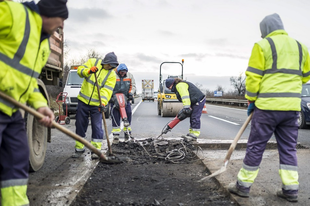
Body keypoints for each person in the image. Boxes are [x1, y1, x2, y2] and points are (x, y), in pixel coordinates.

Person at [228, 13, 310, 202]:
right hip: (291, 109)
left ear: (265, 30)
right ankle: (290, 190)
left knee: (256, 147)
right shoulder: (301, 47)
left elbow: (253, 77)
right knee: (289, 148)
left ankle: (243, 186)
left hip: (267, 108)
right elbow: (306, 76)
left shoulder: (263, 45)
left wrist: (251, 100)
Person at [0, 0, 68, 205]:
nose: (62, 26)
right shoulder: (12, 13)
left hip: (11, 110)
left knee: (17, 158)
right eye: (61, 19)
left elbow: (28, 82)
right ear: (48, 14)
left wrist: (41, 105)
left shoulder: (43, 45)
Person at [72, 52, 119, 159]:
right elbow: (80, 71)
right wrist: (88, 71)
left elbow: (107, 90)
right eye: (109, 65)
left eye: (113, 66)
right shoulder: (93, 62)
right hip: (83, 101)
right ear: (105, 62)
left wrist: (103, 102)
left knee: (97, 126)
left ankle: (96, 150)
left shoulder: (111, 75)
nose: (110, 67)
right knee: (80, 124)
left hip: (97, 105)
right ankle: (79, 148)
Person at [110, 63, 136, 144]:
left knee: (128, 113)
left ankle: (127, 131)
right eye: (121, 72)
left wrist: (131, 93)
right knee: (115, 115)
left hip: (125, 97)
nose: (123, 74)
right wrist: (110, 96)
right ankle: (116, 134)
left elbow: (133, 86)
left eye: (124, 72)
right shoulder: (112, 75)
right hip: (114, 98)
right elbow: (109, 86)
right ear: (118, 71)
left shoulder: (129, 76)